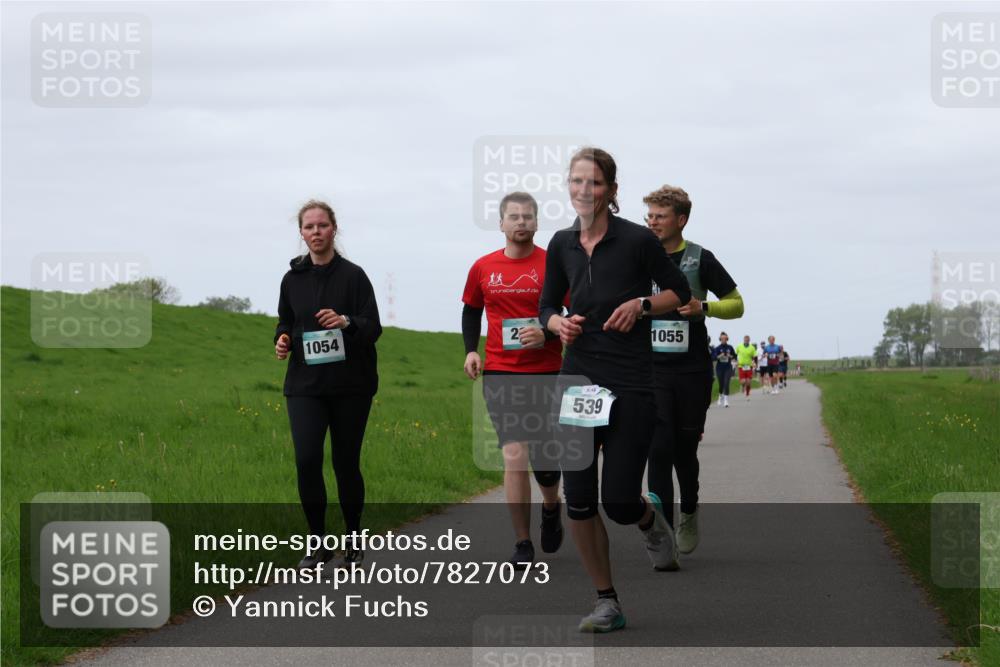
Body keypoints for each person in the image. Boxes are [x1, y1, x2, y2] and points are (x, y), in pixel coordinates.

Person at [539, 147, 691, 633]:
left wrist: (642, 305)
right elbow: (546, 307)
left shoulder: (637, 241)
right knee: (579, 498)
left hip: (631, 381)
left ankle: (648, 520)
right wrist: (558, 323)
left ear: (611, 190)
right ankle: (607, 601)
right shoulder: (561, 243)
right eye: (577, 182)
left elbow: (680, 295)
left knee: (619, 501)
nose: (584, 190)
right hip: (580, 378)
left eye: (595, 183)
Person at [275, 200, 382, 569]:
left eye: (322, 225)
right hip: (305, 384)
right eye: (309, 227)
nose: (316, 232)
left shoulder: (353, 276)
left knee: (344, 462)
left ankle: (353, 537)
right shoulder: (292, 280)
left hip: (350, 385)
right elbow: (285, 322)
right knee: (306, 460)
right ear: (301, 234)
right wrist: (283, 340)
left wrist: (346, 322)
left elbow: (373, 328)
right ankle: (317, 543)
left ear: (334, 229)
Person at [461, 191, 564, 569]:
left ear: (536, 223)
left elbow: (572, 313)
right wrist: (471, 350)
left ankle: (551, 506)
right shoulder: (483, 267)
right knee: (514, 454)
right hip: (501, 372)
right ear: (502, 223)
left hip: (548, 371)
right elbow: (471, 310)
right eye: (514, 217)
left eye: (528, 217)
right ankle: (522, 542)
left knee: (546, 457)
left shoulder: (554, 265)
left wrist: (548, 333)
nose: (521, 222)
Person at [643, 185, 743, 559]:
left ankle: (689, 510)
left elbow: (737, 304)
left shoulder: (700, 258)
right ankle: (661, 535)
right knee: (658, 447)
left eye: (660, 217)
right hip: (651, 370)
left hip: (692, 370)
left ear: (680, 220)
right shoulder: (638, 256)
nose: (652, 223)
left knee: (684, 452)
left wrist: (705, 308)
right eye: (649, 216)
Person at [712, 332, 737, 408]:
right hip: (719, 368)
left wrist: (730, 356)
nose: (723, 340)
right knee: (721, 384)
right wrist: (720, 356)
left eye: (725, 338)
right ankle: (720, 396)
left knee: (726, 383)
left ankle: (726, 400)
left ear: (727, 339)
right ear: (720, 339)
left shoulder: (730, 347)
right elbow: (714, 358)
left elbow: (735, 356)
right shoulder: (717, 348)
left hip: (728, 368)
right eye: (722, 339)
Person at [735, 335, 757, 400]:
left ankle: (747, 393)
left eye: (747, 340)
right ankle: (742, 386)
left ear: (749, 340)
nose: (746, 341)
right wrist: (735, 361)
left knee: (748, 381)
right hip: (741, 366)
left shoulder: (752, 348)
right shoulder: (739, 347)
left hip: (749, 366)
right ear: (743, 340)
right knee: (743, 381)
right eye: (745, 340)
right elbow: (735, 354)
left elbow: (755, 356)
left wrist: (755, 363)